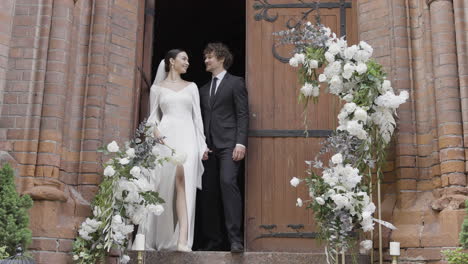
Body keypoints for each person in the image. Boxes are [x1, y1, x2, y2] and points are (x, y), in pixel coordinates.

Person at [137, 49, 207, 252]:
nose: (187, 63)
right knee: (165, 187)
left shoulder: (192, 87)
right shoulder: (157, 88)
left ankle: (183, 240)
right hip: (166, 139)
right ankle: (163, 238)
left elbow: (198, 118)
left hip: (188, 139)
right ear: (171, 61)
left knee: (184, 183)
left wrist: (201, 145)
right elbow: (152, 118)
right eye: (184, 59)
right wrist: (155, 130)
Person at [195, 43, 249, 253]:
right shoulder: (202, 90)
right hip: (208, 148)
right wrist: (201, 144)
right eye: (205, 57)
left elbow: (243, 113)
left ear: (221, 59)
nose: (206, 60)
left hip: (229, 145)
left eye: (209, 57)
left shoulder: (236, 83)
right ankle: (213, 240)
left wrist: (240, 142)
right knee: (208, 193)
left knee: (228, 183)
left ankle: (235, 239)